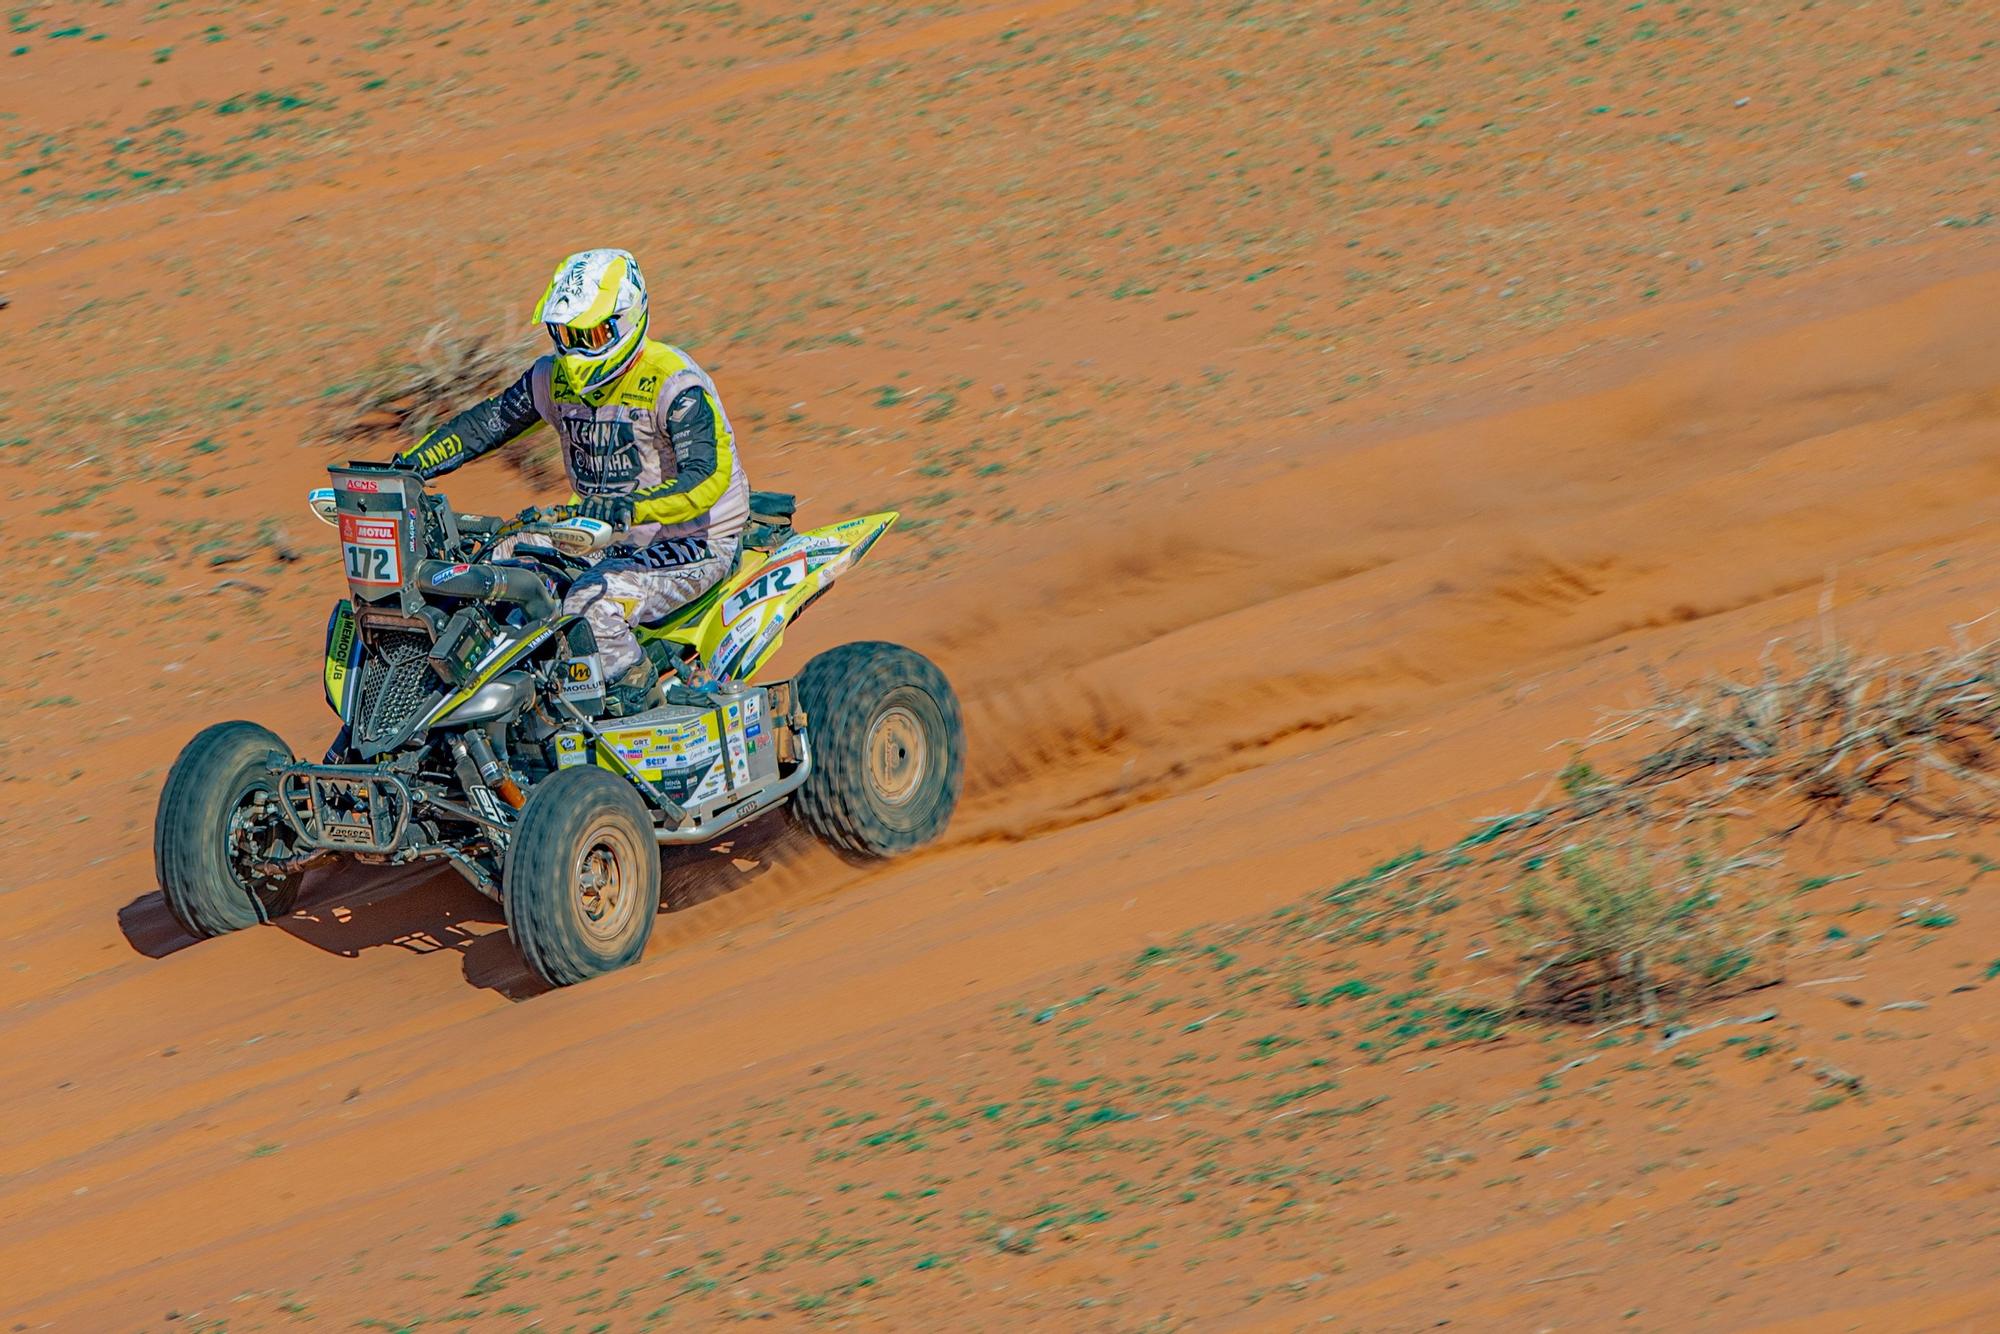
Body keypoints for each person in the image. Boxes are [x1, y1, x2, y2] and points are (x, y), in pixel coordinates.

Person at [394, 248, 750, 714]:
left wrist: (631, 507)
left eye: (590, 334)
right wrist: (406, 467)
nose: (574, 349)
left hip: (694, 541)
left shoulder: (673, 383)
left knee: (590, 606)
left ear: (627, 320)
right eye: (563, 334)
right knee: (493, 561)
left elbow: (706, 479)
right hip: (603, 532)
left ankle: (639, 700)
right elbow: (485, 424)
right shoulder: (552, 378)